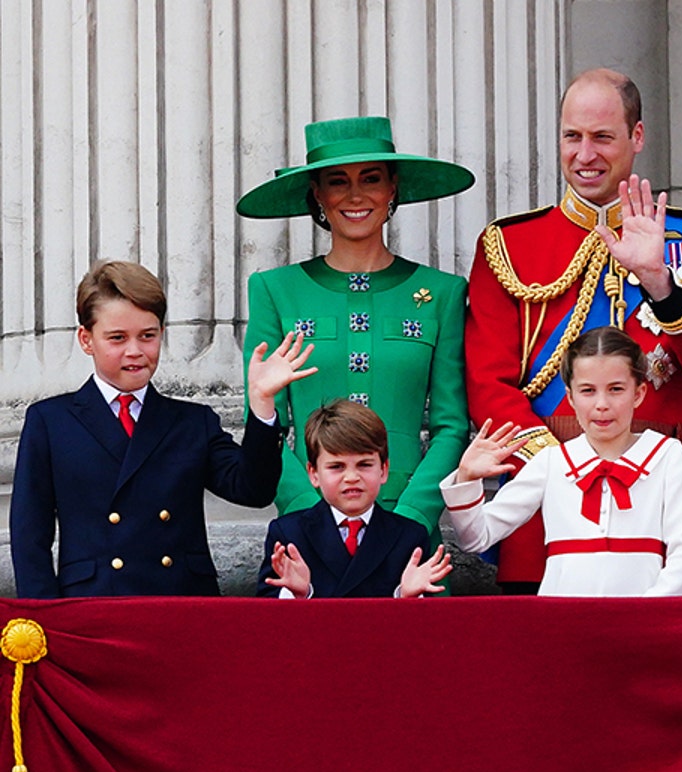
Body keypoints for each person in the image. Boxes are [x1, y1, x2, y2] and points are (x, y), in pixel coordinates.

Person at [464, 68, 682, 593]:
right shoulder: (509, 245)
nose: (585, 154)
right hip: (545, 510)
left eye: (602, 137)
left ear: (637, 137)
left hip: (657, 500)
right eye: (572, 136)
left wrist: (660, 283)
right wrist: (562, 469)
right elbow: (486, 383)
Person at [11, 261, 315, 597]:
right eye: (117, 338)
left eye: (147, 336)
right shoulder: (51, 421)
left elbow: (253, 490)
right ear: (86, 339)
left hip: (181, 603)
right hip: (93, 604)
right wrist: (42, 616)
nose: (135, 351)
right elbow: (30, 533)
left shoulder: (192, 421)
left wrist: (262, 403)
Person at [236, 116, 474, 542]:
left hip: (408, 531)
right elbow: (264, 419)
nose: (356, 195)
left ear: (392, 187)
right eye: (337, 182)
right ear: (318, 193)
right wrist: (307, 516)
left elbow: (451, 426)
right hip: (309, 533)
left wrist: (411, 518)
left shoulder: (443, 292)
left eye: (371, 178)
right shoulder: (274, 290)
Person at [441, 327, 682, 597]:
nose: (602, 404)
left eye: (616, 389)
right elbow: (477, 537)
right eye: (588, 390)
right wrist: (467, 478)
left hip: (644, 616)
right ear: (570, 397)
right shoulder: (551, 462)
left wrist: (647, 611)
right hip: (561, 617)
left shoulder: (668, 456)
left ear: (638, 394)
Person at [258, 400, 454, 598]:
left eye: (364, 465)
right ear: (314, 473)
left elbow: (426, 614)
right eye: (336, 467)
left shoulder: (410, 536)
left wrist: (405, 596)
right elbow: (263, 610)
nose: (352, 477)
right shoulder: (289, 534)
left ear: (384, 469)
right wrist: (299, 594)